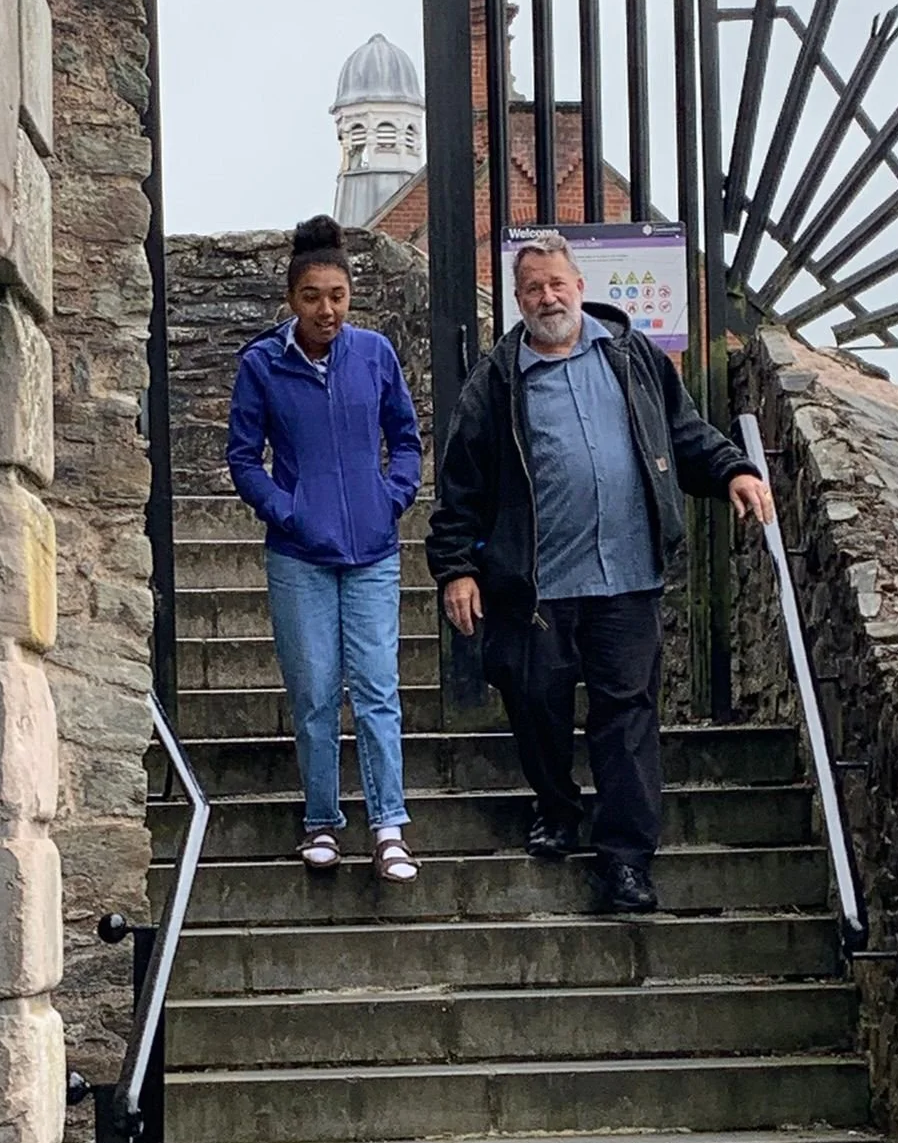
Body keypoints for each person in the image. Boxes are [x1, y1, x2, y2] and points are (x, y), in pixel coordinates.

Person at [426, 231, 775, 915]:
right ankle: (557, 807)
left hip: (626, 577)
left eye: (557, 284)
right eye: (533, 289)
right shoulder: (496, 382)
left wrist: (734, 466)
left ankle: (624, 862)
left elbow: (684, 431)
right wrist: (456, 570)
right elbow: (459, 488)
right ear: (517, 299)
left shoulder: (630, 356)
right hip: (537, 588)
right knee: (537, 710)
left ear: (580, 286)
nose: (547, 297)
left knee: (627, 720)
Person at [228, 216, 424, 881]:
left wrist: (390, 495)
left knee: (376, 686)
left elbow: (406, 438)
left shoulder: (375, 355)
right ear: (292, 299)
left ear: (351, 294)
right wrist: (288, 512)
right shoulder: (262, 364)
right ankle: (321, 821)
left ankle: (389, 825)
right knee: (313, 689)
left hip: (372, 551)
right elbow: (244, 459)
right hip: (297, 556)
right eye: (312, 296)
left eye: (337, 295)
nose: (327, 310)